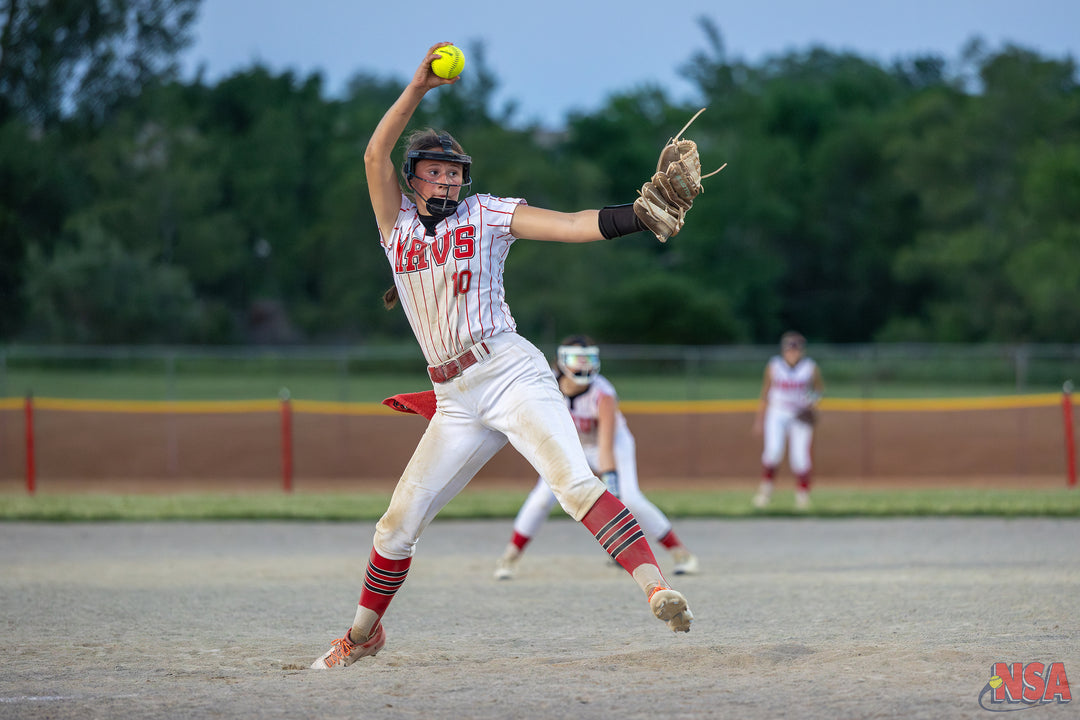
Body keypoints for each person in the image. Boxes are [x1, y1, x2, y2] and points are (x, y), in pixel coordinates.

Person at [310, 43, 693, 670]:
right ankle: (361, 635)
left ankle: (656, 586)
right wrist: (417, 89)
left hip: (508, 369)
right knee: (394, 528)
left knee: (573, 484)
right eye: (437, 171)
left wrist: (636, 217)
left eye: (457, 171)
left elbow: (570, 224)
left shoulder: (486, 214)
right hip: (455, 399)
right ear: (414, 179)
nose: (451, 179)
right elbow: (374, 153)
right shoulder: (396, 228)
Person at [494, 335, 699, 580]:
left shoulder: (603, 393)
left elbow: (605, 446)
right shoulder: (546, 385)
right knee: (541, 498)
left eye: (588, 358)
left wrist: (612, 489)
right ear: (561, 362)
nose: (583, 365)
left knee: (631, 498)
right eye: (576, 359)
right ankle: (509, 558)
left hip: (612, 443)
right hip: (570, 445)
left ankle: (681, 554)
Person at [752, 331, 825, 510]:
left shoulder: (810, 367)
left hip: (799, 414)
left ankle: (803, 498)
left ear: (802, 351)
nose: (793, 352)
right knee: (773, 452)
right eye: (789, 349)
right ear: (783, 350)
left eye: (796, 349)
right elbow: (765, 393)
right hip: (777, 411)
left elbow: (818, 389)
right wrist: (759, 419)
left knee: (800, 458)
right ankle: (765, 493)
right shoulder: (774, 366)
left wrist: (811, 403)